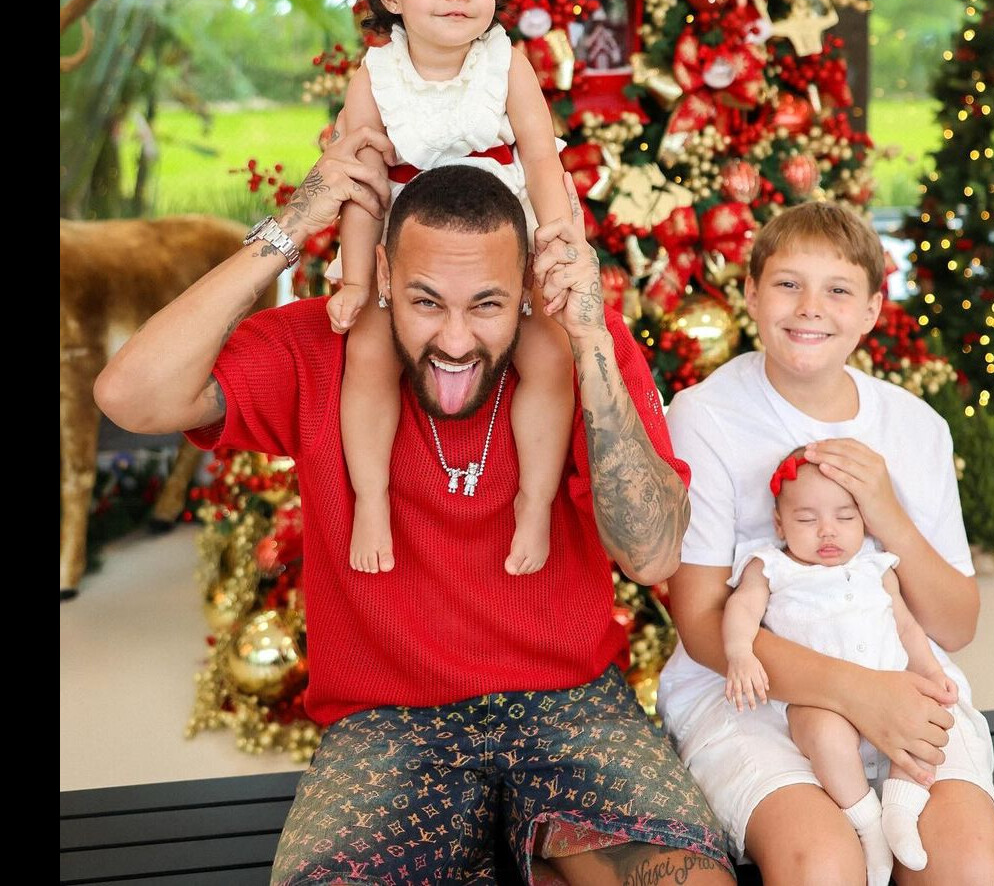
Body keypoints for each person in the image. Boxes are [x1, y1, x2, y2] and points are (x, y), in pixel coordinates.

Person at [94, 153, 735, 885]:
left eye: (487, 305)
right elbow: (130, 395)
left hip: (572, 705)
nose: (456, 341)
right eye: (426, 301)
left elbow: (652, 554)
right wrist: (291, 229)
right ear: (387, 278)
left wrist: (588, 340)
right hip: (386, 722)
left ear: (525, 287)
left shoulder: (583, 344)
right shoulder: (319, 343)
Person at [656, 201, 994, 885]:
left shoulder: (914, 425)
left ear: (871, 309)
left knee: (969, 864)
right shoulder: (705, 416)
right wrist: (858, 693)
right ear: (749, 292)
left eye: (837, 289)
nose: (810, 307)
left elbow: (956, 623)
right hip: (751, 694)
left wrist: (886, 510)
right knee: (823, 863)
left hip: (900, 673)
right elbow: (702, 622)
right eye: (786, 283)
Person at [328, 0, 575, 577]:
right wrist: (354, 280)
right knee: (369, 355)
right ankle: (372, 498)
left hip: (505, 244)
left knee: (550, 359)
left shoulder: (504, 63)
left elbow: (539, 153)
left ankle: (535, 497)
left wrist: (556, 238)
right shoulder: (375, 78)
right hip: (413, 255)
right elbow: (361, 188)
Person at [723, 450, 994, 886]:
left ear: (863, 521)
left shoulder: (875, 564)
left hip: (894, 685)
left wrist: (929, 671)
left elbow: (906, 626)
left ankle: (900, 812)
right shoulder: (771, 566)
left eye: (844, 518)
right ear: (779, 524)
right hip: (820, 698)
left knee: (925, 726)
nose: (827, 531)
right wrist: (740, 652)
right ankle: (867, 821)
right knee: (826, 738)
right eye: (807, 519)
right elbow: (741, 608)